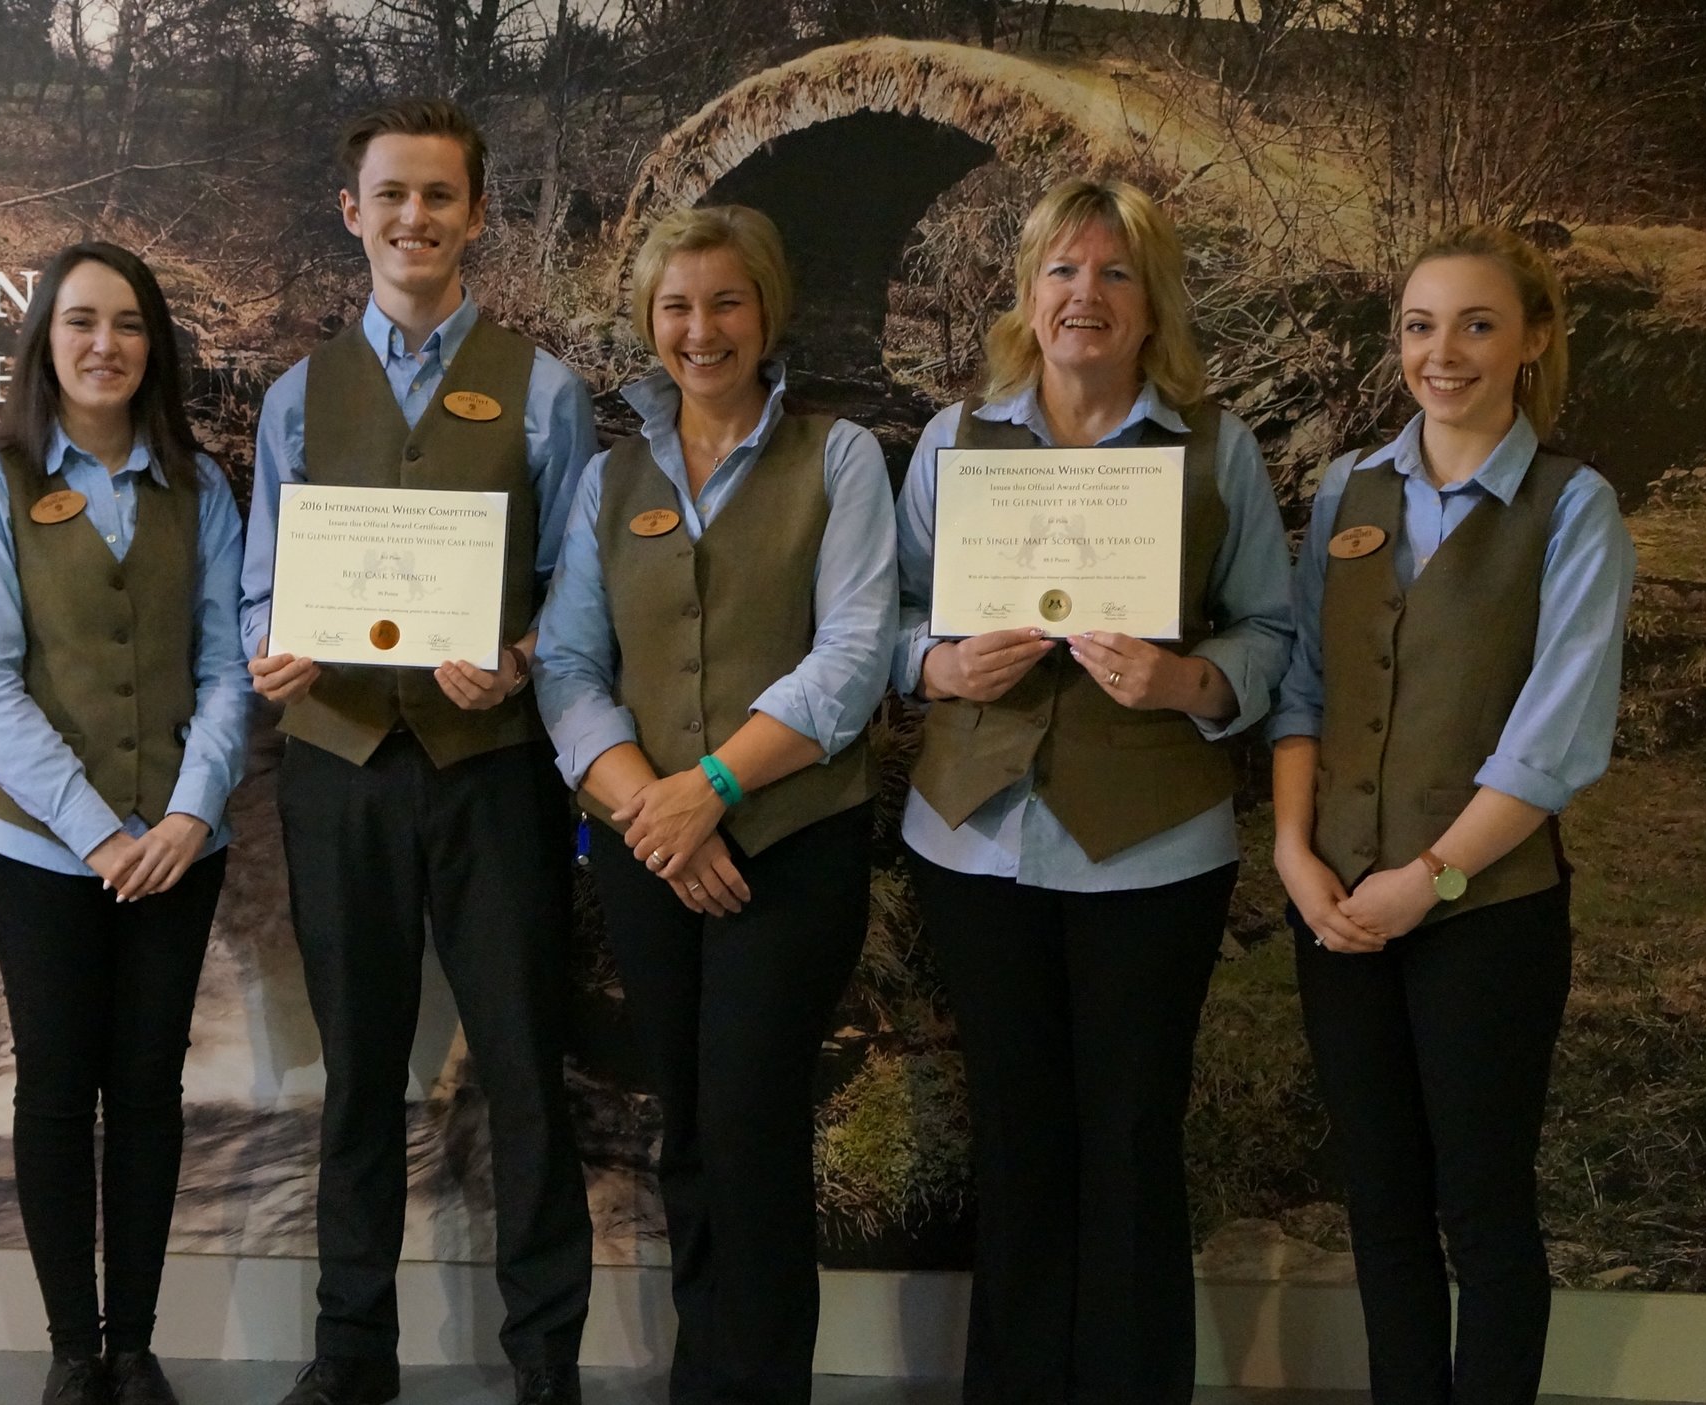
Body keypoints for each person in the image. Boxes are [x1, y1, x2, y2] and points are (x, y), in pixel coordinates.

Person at [891, 178, 1294, 1405]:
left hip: (1152, 854)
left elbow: (1274, 634)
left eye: (1116, 274)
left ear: (1151, 300)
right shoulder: (953, 441)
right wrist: (939, 661)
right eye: (1064, 271)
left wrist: (1187, 678)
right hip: (975, 843)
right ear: (1028, 291)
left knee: (1128, 1144)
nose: (1086, 297)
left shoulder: (1214, 448)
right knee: (1015, 1140)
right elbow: (887, 620)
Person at [238, 97, 595, 1405]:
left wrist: (520, 656)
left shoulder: (546, 391)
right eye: (392, 195)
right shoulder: (296, 397)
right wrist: (268, 645)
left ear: (475, 215)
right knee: (356, 1077)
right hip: (337, 768)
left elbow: (576, 589)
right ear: (354, 213)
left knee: (520, 1069)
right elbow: (261, 584)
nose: (415, 218)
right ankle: (352, 1354)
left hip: (492, 772)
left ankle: (545, 1357)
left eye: (440, 196)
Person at [535, 203, 897, 1405]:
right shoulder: (609, 476)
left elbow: (851, 655)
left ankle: (760, 1387)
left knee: (749, 1129)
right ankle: (705, 1378)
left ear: (767, 312)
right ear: (650, 319)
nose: (702, 329)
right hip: (646, 847)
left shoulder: (836, 457)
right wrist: (650, 809)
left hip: (788, 848)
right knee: (684, 1124)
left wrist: (715, 787)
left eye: (726, 301)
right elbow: (572, 667)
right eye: (678, 305)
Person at [1270, 225, 1632, 1405]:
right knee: (1378, 1203)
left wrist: (1427, 877)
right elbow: (1304, 688)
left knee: (1480, 1208)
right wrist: (1291, 850)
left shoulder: (1571, 509)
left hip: (1483, 915)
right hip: (1335, 908)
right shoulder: (1346, 491)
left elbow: (1555, 738)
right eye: (1422, 325)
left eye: (1477, 324)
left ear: (1530, 341)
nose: (1444, 353)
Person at [0, 241, 252, 1405]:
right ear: (45, 340)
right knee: (57, 1087)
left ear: (153, 345)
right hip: (36, 849)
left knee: (148, 1088)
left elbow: (226, 665)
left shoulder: (201, 487)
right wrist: (96, 831)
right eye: (81, 322)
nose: (104, 345)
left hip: (181, 845)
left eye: (127, 324)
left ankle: (136, 1342)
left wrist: (185, 811)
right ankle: (74, 1349)